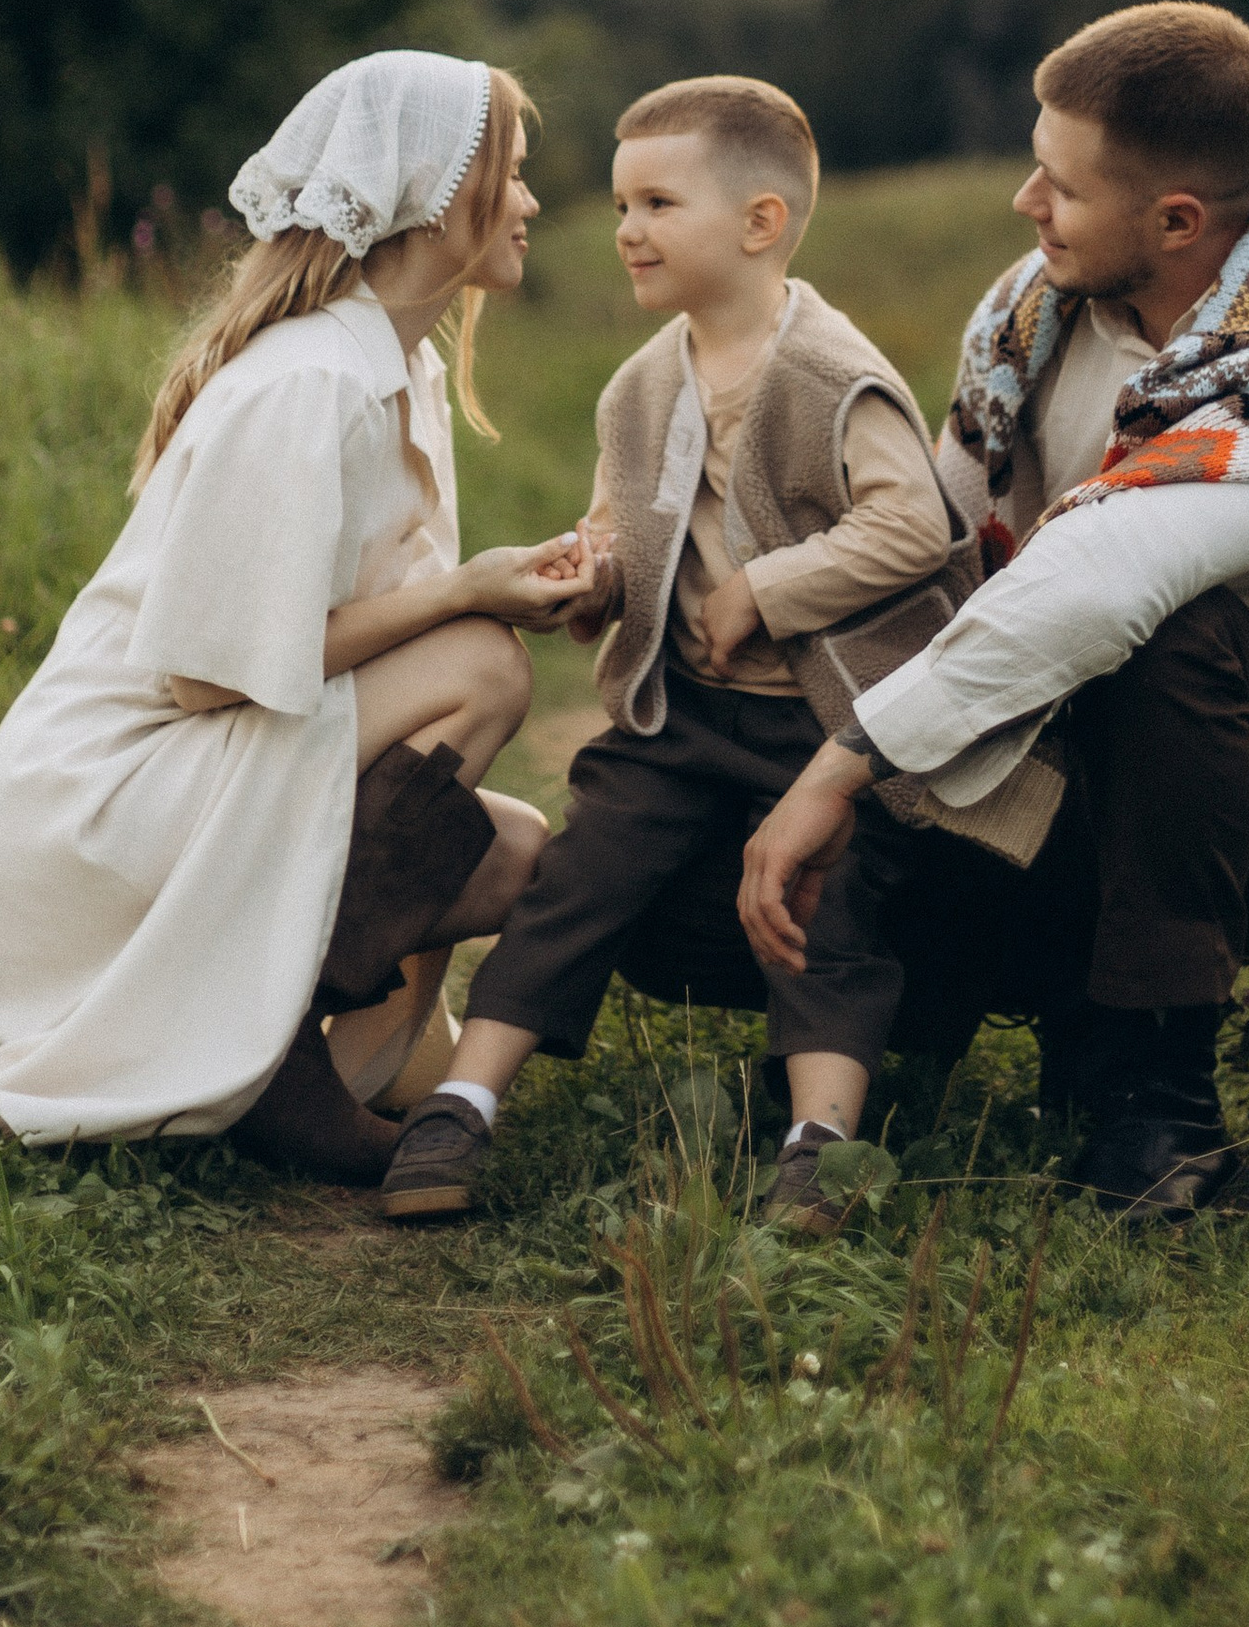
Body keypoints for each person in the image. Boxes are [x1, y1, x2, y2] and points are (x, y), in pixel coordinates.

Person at [0, 50, 590, 1166]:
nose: (531, 201)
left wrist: (529, 584)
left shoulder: (395, 372)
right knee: (485, 667)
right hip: (112, 795)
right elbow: (206, 678)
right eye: (510, 172)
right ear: (439, 194)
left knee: (509, 852)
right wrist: (467, 593)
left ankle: (319, 1035)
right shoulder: (306, 380)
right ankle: (270, 1061)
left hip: (216, 768)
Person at [738, 1, 1249, 1221]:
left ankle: (1156, 1101)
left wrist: (839, 772)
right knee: (725, 847)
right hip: (1081, 745)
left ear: (1177, 220)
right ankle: (927, 1019)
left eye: (1060, 185)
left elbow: (1100, 582)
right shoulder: (1038, 301)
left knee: (1169, 632)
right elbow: (957, 541)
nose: (1026, 201)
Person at [375, 74, 977, 1230]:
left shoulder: (829, 374)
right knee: (576, 875)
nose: (626, 232)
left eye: (657, 204)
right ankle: (462, 1102)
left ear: (760, 224)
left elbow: (912, 526)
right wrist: (595, 574)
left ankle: (819, 1144)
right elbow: (625, 526)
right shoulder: (640, 387)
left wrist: (770, 584)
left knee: (825, 903)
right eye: (618, 207)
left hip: (819, 727)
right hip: (680, 717)